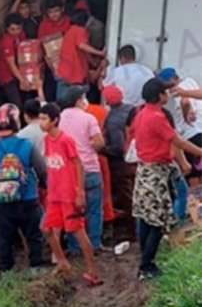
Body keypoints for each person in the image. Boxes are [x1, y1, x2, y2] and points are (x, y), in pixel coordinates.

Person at [132, 78, 202, 280]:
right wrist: (199, 151)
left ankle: (145, 260)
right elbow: (177, 140)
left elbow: (172, 142)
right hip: (155, 173)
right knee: (158, 221)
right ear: (160, 95)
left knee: (147, 218)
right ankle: (146, 266)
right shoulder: (156, 116)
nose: (168, 94)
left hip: (146, 170)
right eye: (165, 92)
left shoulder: (142, 114)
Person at [39, 103, 103, 285]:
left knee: (78, 231)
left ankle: (93, 271)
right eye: (40, 118)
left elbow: (79, 165)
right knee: (46, 229)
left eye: (44, 119)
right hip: (55, 195)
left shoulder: (66, 140)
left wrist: (80, 192)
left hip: (68, 195)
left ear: (55, 120)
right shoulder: (47, 141)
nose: (41, 123)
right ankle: (61, 261)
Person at [0, 103, 47, 272]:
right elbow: (41, 170)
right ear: (16, 122)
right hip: (28, 199)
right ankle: (35, 268)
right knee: (34, 236)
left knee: (4, 239)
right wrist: (44, 186)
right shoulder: (27, 145)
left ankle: (6, 272)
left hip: (2, 202)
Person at [58, 85, 109, 255]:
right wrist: (90, 145)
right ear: (79, 100)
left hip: (69, 173)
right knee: (94, 209)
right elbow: (99, 143)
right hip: (90, 168)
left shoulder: (58, 119)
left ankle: (75, 247)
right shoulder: (89, 119)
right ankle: (94, 244)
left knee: (73, 211)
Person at [102, 85, 137, 240]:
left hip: (121, 165)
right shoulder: (132, 110)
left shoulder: (112, 120)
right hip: (138, 159)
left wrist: (101, 149)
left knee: (127, 198)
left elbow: (117, 147)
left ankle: (133, 232)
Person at [158, 67, 202, 185]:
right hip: (201, 129)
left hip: (190, 136)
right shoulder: (190, 81)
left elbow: (185, 102)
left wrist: (186, 113)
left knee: (194, 174)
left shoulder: (175, 91)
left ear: (171, 80)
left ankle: (196, 201)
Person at [57, 9, 106, 98]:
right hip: (74, 76)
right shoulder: (80, 30)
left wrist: (94, 63)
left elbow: (82, 51)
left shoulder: (70, 32)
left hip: (64, 74)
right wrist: (100, 53)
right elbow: (82, 46)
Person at [38, 0, 72, 102]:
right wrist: (45, 58)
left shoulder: (68, 22)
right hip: (49, 63)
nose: (54, 14)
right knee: (50, 90)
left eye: (56, 11)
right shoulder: (44, 25)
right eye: (51, 12)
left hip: (67, 62)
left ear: (62, 9)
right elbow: (40, 44)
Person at [0, 13, 31, 108]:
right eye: (13, 29)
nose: (16, 32)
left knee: (26, 100)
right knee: (17, 104)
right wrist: (22, 80)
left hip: (18, 73)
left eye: (18, 29)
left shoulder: (22, 35)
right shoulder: (7, 42)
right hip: (7, 76)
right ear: (7, 29)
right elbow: (11, 64)